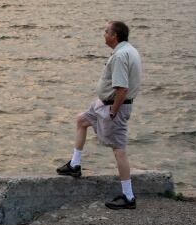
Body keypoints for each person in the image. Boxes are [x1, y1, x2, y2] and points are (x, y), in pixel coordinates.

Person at [56, 20, 143, 210]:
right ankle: (75, 165)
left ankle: (129, 197)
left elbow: (122, 89)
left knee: (119, 150)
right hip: (102, 104)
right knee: (81, 120)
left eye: (106, 31)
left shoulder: (120, 56)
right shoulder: (129, 50)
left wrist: (113, 112)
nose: (103, 34)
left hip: (113, 107)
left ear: (114, 36)